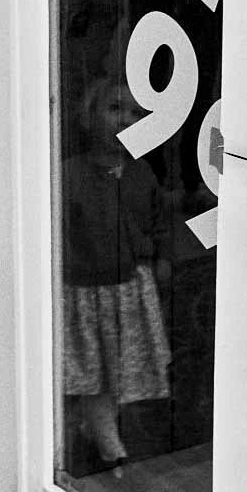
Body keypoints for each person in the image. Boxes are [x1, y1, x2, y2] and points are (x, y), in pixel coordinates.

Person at [62, 76, 172, 470]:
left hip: (128, 290)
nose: (125, 119)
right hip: (87, 291)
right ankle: (111, 447)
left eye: (135, 113)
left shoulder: (141, 175)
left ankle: (97, 427)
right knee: (96, 374)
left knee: (119, 370)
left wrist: (160, 259)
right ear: (89, 117)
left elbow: (159, 224)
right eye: (114, 109)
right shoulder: (70, 175)